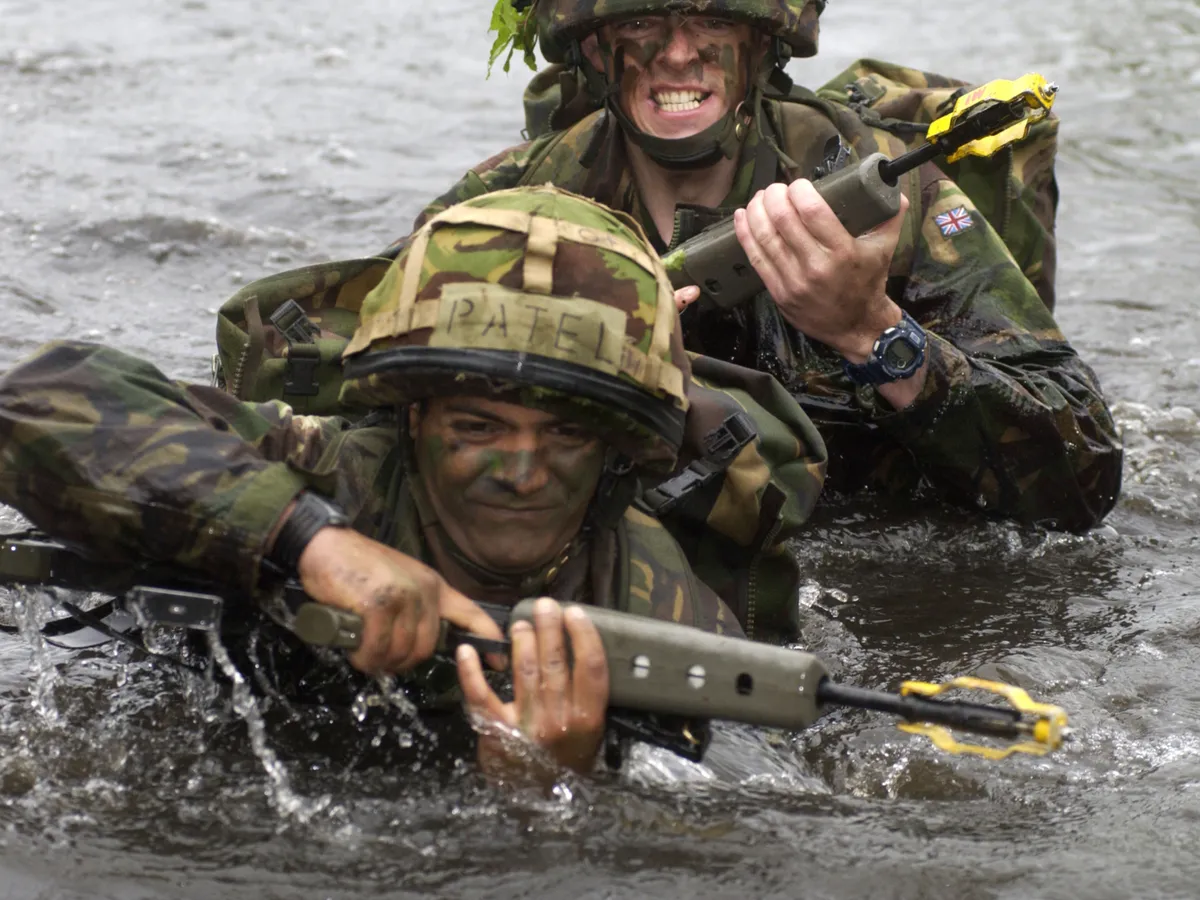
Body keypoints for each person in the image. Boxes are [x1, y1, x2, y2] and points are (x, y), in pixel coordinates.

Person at [0, 186, 825, 776]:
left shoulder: (664, 611)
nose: (521, 471)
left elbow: (743, 817)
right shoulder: (324, 474)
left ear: (618, 453)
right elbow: (41, 401)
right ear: (411, 421)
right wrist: (312, 541)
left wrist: (551, 794)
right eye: (477, 426)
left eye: (567, 433)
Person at [390, 0, 1123, 532]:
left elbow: (1085, 480)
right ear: (593, 45)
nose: (679, 53)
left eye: (712, 22)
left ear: (761, 42)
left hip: (872, 550)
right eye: (643, 23)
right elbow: (371, 420)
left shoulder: (887, 198)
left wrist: (871, 331)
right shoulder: (507, 211)